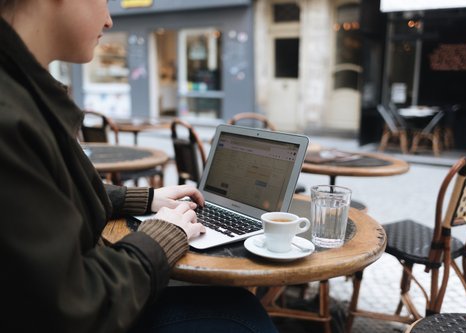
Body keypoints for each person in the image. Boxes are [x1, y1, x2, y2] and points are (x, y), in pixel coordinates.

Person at [0, 1, 278, 332]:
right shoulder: (11, 116)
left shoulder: (21, 93)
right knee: (241, 313)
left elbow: (47, 195)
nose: (108, 19)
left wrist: (145, 199)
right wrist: (162, 236)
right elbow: (71, 306)